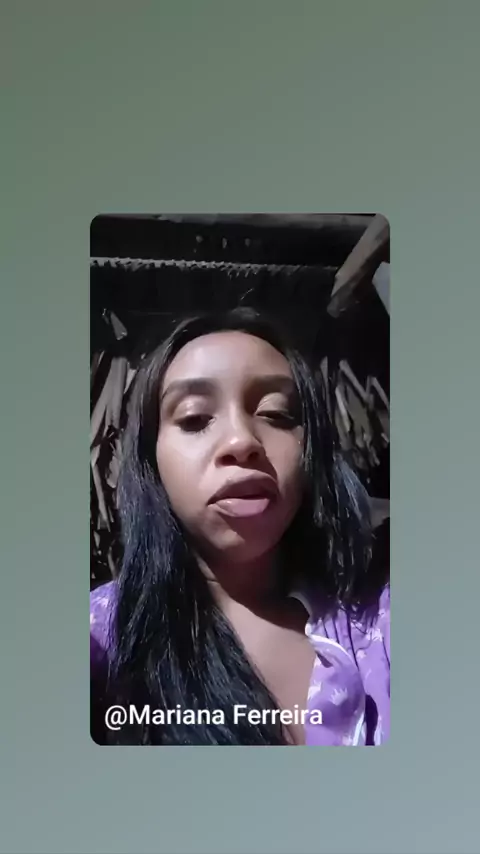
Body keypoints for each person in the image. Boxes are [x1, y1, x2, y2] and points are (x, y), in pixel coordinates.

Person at [90, 307, 390, 745]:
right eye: (194, 418)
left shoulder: (377, 625)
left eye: (276, 414)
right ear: (151, 463)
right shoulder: (104, 636)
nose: (242, 441)